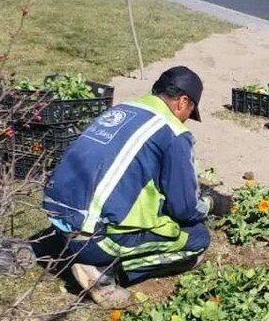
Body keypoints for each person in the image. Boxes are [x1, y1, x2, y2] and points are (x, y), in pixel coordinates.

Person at [42, 66, 211, 308]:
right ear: (183, 102)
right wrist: (211, 204)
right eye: (190, 112)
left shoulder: (122, 110)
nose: (186, 119)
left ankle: (74, 251)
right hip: (91, 238)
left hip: (57, 220)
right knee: (197, 239)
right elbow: (184, 209)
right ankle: (101, 272)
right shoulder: (173, 132)